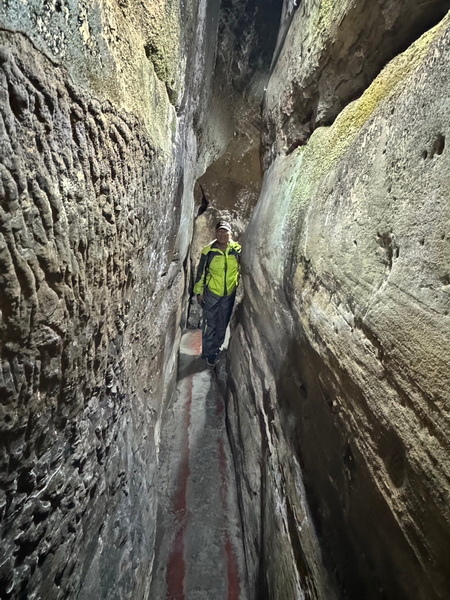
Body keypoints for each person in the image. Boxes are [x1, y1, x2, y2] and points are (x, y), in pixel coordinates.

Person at [193, 220, 241, 367]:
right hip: (212, 293)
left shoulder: (236, 250)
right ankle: (207, 352)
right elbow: (200, 274)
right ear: (215, 233)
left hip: (228, 294)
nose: (222, 234)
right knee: (210, 324)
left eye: (225, 231)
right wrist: (199, 293)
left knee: (222, 324)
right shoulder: (208, 252)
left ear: (230, 234)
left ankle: (216, 350)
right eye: (219, 231)